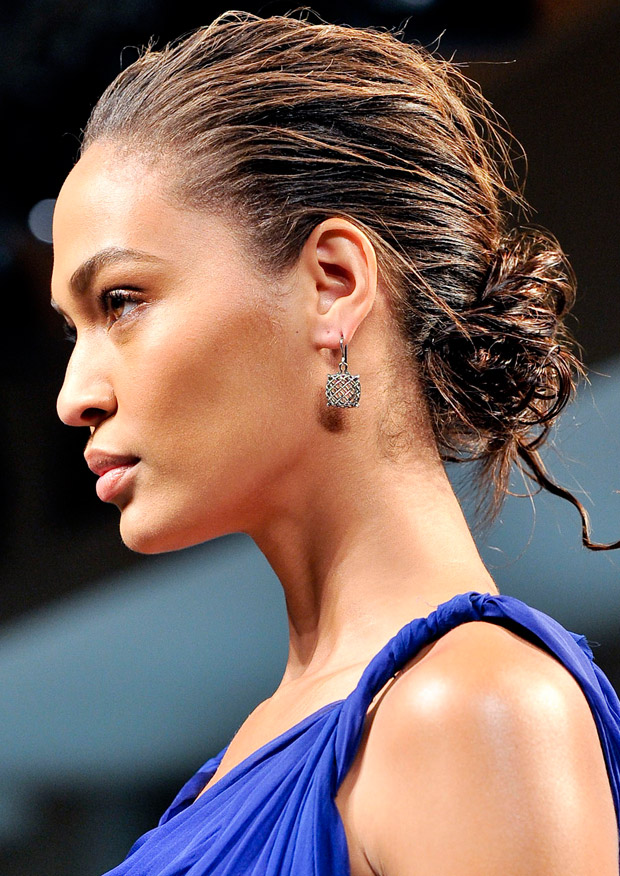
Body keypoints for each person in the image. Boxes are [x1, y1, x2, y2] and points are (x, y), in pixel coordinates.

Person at [50, 10, 620, 875]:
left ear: (334, 284)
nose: (73, 397)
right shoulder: (242, 760)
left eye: (121, 302)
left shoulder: (469, 710)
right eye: (72, 330)